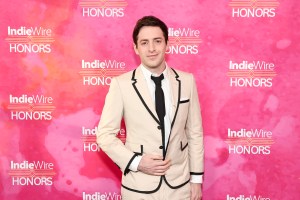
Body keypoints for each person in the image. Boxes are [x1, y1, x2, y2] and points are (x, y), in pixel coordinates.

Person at [96, 15, 204, 200]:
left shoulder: (187, 81)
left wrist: (196, 179)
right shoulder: (121, 85)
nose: (152, 48)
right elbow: (104, 135)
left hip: (180, 187)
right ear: (136, 48)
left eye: (157, 41)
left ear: (167, 44)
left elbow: (194, 133)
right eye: (144, 43)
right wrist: (136, 162)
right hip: (138, 188)